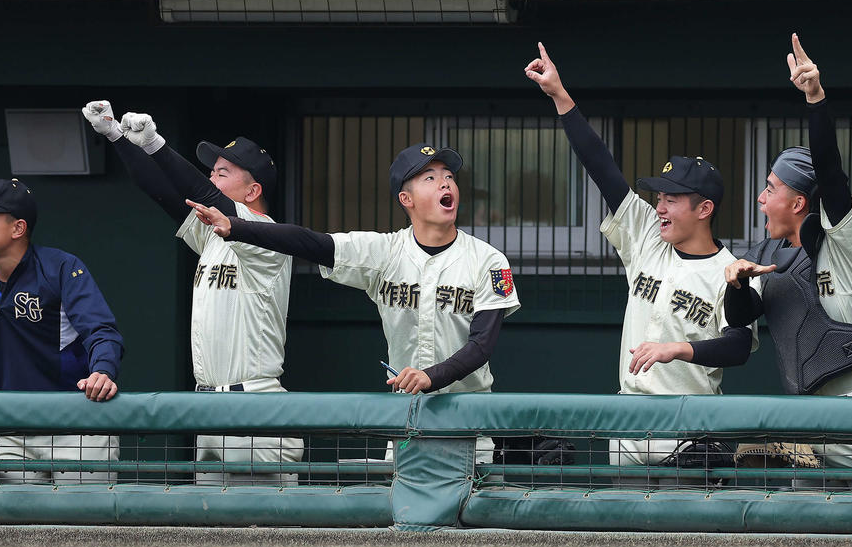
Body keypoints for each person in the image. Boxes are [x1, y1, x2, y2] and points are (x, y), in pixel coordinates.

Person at [186, 141, 524, 464]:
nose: (444, 183)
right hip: (407, 424)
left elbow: (481, 346)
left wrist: (431, 377)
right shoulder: (385, 252)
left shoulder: (488, 260)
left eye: (449, 177)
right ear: (406, 198)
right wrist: (237, 228)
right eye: (430, 178)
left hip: (468, 425)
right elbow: (311, 242)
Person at [525, 42, 755, 469]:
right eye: (659, 196)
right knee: (626, 530)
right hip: (630, 420)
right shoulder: (648, 234)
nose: (660, 206)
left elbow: (739, 346)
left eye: (672, 198)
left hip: (692, 425)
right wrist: (560, 96)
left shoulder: (733, 271)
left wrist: (678, 349)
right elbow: (602, 167)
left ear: (704, 209)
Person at [722, 34, 852, 485]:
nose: (761, 199)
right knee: (806, 541)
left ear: (800, 202)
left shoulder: (842, 240)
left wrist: (815, 99)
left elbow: (831, 173)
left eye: (771, 188)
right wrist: (736, 285)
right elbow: (740, 319)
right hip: (809, 431)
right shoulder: (766, 258)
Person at [84, 101, 300, 487]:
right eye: (212, 172)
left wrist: (154, 144)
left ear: (253, 190)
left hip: (254, 401)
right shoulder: (213, 235)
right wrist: (115, 136)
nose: (212, 180)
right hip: (208, 403)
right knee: (210, 531)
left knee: (272, 531)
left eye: (223, 173)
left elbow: (200, 191)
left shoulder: (267, 235)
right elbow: (164, 194)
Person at [0, 176, 124, 484]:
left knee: (84, 529)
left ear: (18, 228)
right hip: (13, 433)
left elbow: (101, 330)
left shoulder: (60, 268)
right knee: (4, 527)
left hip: (78, 426)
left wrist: (103, 370)